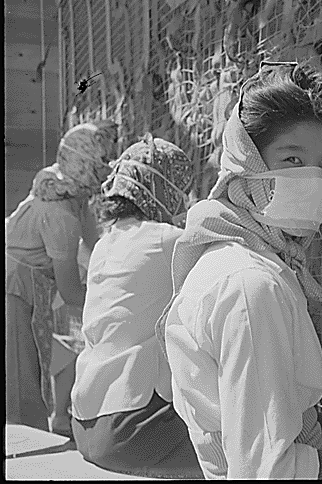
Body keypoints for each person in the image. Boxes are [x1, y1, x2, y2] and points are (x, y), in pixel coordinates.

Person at [156, 62, 322, 479]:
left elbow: (242, 420)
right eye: (292, 158)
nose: (313, 177)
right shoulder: (251, 286)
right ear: (248, 163)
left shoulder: (242, 261)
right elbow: (264, 471)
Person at [70, 133, 203, 479]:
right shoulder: (168, 240)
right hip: (134, 428)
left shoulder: (104, 243)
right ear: (166, 188)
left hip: (84, 424)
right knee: (248, 448)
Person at [5, 120, 118, 433]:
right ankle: (27, 443)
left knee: (56, 346)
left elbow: (94, 242)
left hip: (38, 277)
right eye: (104, 163)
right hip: (16, 284)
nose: (108, 170)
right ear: (86, 167)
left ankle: (55, 418)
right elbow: (70, 292)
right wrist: (109, 307)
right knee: (22, 369)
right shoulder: (60, 214)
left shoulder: (71, 194)